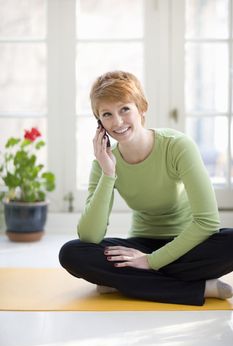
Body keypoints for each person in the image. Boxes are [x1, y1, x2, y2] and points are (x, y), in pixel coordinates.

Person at [59, 71, 233, 306]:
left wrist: (151, 262)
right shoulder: (104, 162)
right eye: (107, 115)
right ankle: (200, 288)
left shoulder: (177, 146)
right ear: (99, 123)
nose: (117, 122)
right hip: (140, 244)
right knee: (72, 253)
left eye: (124, 109)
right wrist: (109, 173)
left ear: (142, 108)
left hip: (188, 244)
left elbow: (208, 222)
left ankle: (123, 282)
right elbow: (90, 236)